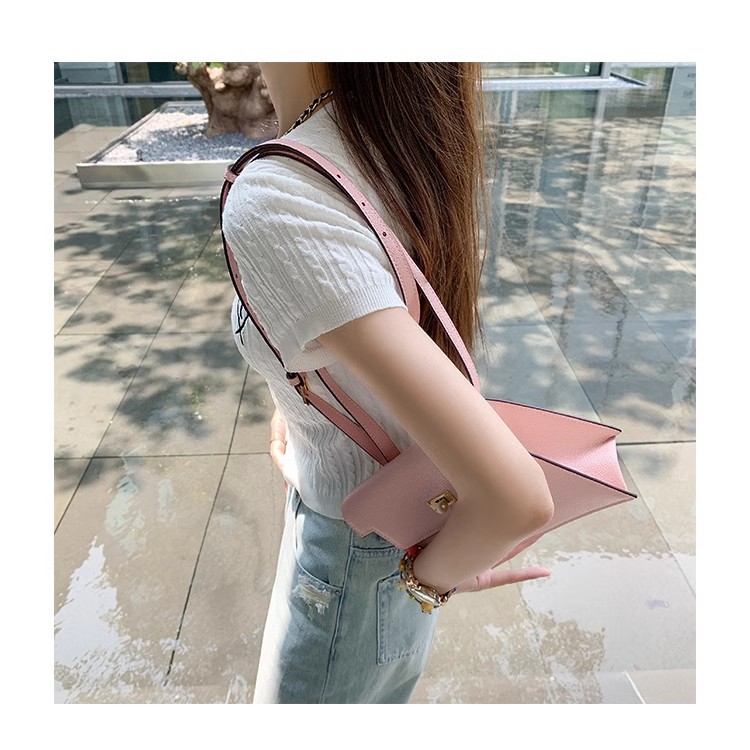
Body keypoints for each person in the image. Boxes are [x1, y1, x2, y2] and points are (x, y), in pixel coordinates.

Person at [221, 63, 554, 704]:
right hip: (401, 526)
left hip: (355, 555)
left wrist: (424, 582)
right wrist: (301, 400)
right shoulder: (396, 139)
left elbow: (514, 498)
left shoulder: (278, 194)